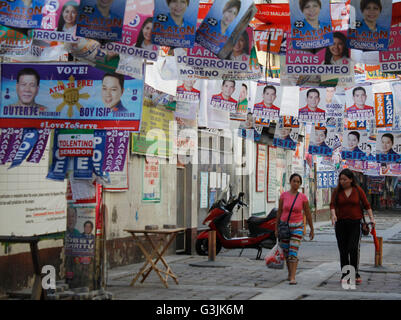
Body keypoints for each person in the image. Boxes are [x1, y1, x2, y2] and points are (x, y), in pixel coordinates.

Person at [330, 168, 375, 285]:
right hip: (340, 224)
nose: (342, 182)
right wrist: (333, 215)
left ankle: (354, 273)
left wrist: (371, 219)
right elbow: (332, 205)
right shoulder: (337, 191)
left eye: (344, 179)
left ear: (350, 179)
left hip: (355, 223)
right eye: (340, 179)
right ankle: (345, 274)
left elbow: (367, 205)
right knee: (343, 250)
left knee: (353, 248)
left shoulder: (358, 190)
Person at [275, 173, 314, 285]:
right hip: (284, 227)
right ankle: (289, 272)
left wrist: (311, 228)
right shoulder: (283, 196)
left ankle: (292, 277)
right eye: (294, 181)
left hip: (297, 227)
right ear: (290, 182)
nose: (296, 183)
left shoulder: (303, 197)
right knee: (286, 252)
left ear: (300, 184)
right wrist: (276, 228)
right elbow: (279, 212)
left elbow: (308, 213)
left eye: (298, 181)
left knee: (293, 252)